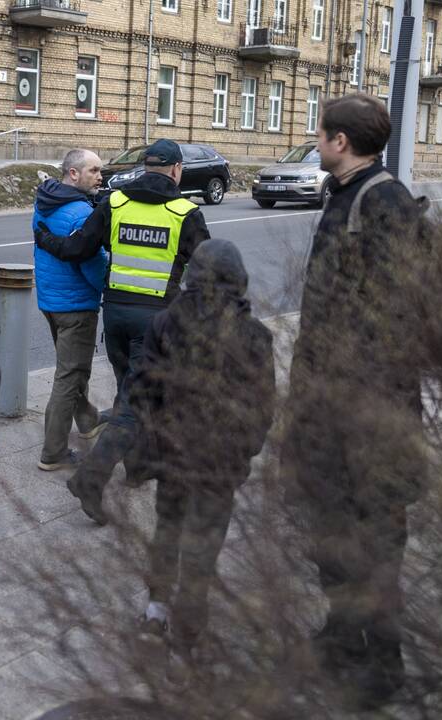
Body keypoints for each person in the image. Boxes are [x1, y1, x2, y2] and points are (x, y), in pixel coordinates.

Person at [278, 93, 426, 709]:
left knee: (375, 541)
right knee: (331, 530)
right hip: (333, 406)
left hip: (367, 413)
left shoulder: (383, 202)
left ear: (341, 141)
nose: (315, 140)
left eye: (320, 132)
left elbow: (398, 315)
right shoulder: (349, 194)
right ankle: (341, 638)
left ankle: (383, 667)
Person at [34, 138, 211, 525]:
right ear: (177, 170)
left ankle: (138, 467)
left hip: (115, 316)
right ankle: (92, 479)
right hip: (156, 320)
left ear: (145, 167)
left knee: (130, 392)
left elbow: (79, 249)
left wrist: (46, 240)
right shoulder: (185, 213)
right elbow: (207, 271)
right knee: (137, 401)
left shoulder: (115, 203)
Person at [128, 239, 276, 678]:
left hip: (173, 455)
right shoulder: (256, 337)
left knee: (167, 530)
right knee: (202, 549)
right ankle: (185, 647)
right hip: (219, 464)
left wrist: (154, 439)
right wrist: (242, 453)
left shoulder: (164, 324)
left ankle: (155, 613)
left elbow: (142, 390)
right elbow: (262, 408)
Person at [33, 149, 110, 471]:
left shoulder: (45, 200)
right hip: (76, 305)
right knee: (69, 375)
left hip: (51, 300)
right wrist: (104, 288)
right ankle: (53, 452)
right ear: (74, 174)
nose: (100, 176)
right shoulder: (80, 212)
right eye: (94, 170)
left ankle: (88, 420)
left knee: (73, 367)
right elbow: (92, 262)